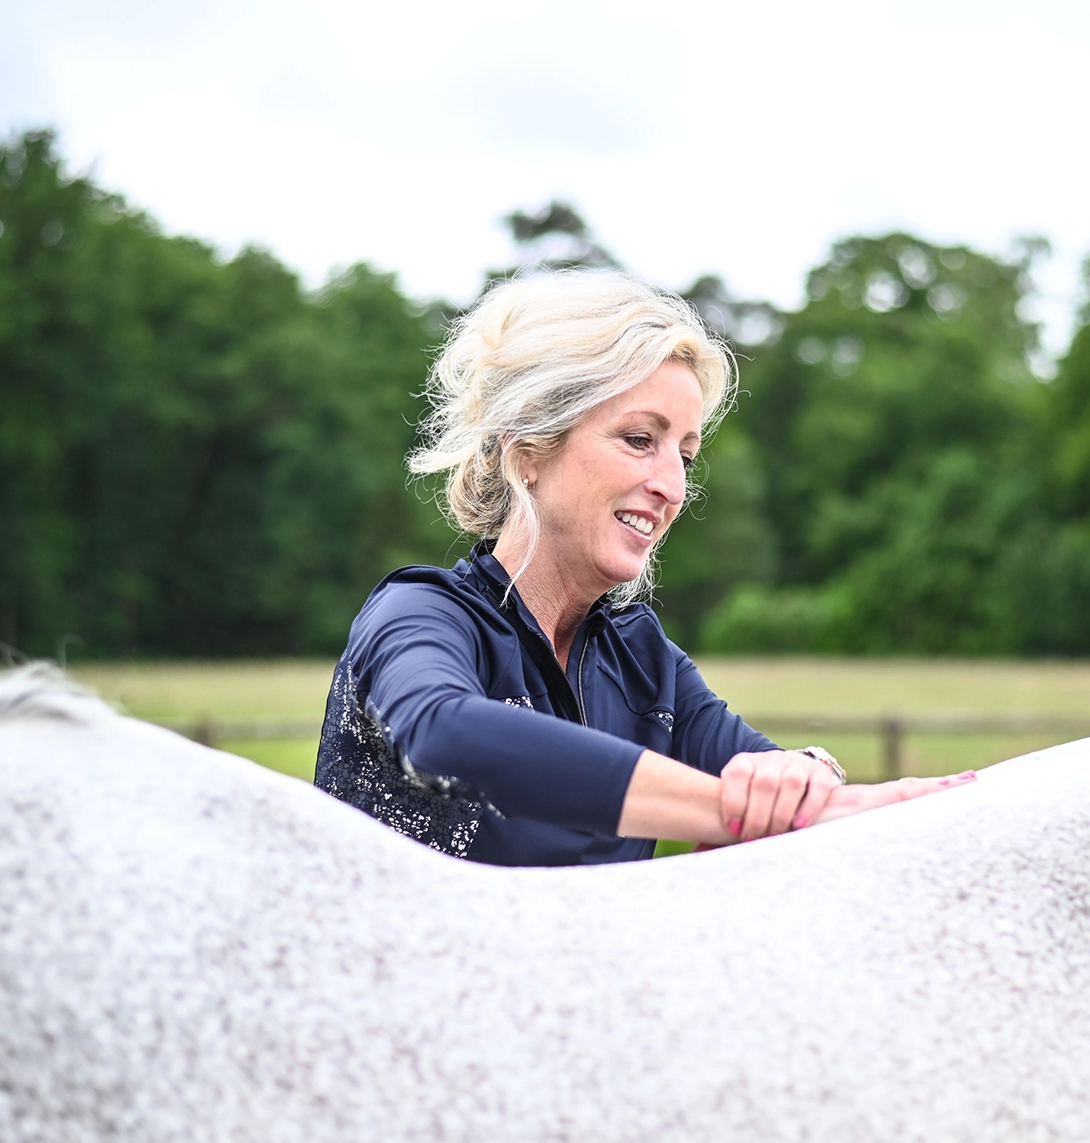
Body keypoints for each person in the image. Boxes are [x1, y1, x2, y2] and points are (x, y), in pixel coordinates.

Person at [314, 271, 973, 866]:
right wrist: (730, 810)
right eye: (639, 440)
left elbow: (768, 770)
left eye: (684, 456)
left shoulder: (644, 660)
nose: (671, 486)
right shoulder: (421, 613)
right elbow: (444, 732)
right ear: (530, 451)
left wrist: (806, 775)